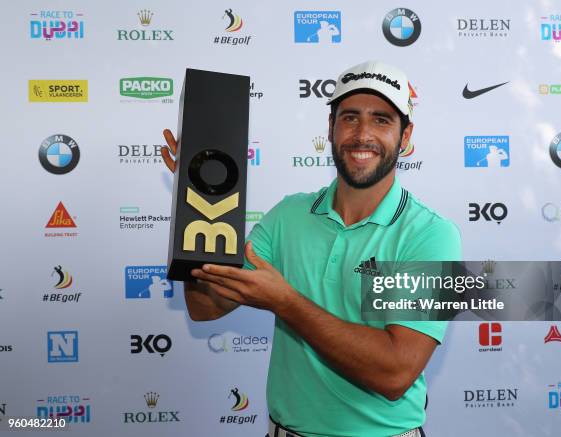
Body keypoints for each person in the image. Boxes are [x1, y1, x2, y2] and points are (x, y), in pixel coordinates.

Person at [161, 61, 461, 437]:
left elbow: (395, 372)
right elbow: (205, 306)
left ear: (405, 136)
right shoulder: (289, 215)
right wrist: (198, 199)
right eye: (349, 118)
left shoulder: (430, 235)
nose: (362, 134)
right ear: (331, 128)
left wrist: (286, 303)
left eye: (382, 120)